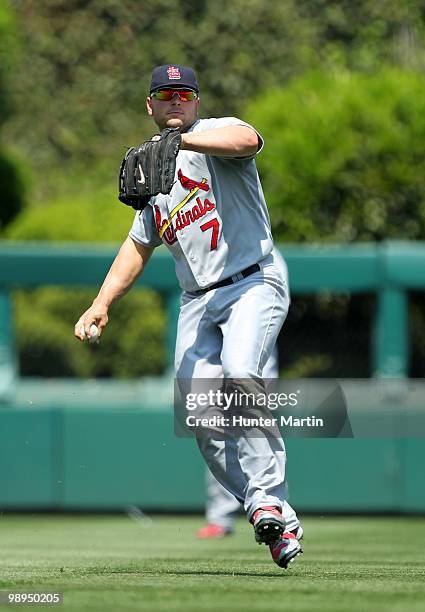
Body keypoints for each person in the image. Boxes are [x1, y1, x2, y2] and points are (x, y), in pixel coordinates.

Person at [75, 64, 302, 569]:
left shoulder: (215, 136)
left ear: (197, 102)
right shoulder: (152, 172)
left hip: (253, 281)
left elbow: (247, 139)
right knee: (200, 420)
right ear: (150, 105)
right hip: (198, 298)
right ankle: (274, 517)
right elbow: (138, 245)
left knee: (242, 375)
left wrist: (187, 144)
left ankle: (266, 496)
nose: (176, 101)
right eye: (165, 94)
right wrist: (101, 303)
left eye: (185, 93)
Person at [196, 250, 303, 543]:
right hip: (219, 334)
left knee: (249, 422)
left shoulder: (265, 256)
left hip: (251, 347)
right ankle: (228, 515)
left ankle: (275, 506)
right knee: (209, 420)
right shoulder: (207, 250)